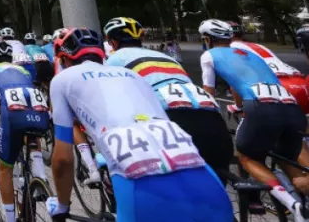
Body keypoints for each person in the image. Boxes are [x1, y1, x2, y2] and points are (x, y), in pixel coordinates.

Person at [45, 27, 231, 222]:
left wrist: (62, 206)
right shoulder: (132, 75)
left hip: (137, 180)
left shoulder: (61, 79)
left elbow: (63, 159)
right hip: (198, 170)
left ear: (64, 59)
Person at [199, 19, 309, 220]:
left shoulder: (209, 55)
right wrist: (239, 105)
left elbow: (209, 93)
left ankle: (293, 205)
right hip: (292, 106)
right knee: (289, 160)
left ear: (207, 39)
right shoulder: (250, 54)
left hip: (261, 107)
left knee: (247, 156)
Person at [104, 17, 233, 182]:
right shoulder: (166, 57)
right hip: (211, 115)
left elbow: (116, 101)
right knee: (217, 179)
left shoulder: (114, 60)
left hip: (172, 118)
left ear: (113, 42)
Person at [0, 41, 49, 222]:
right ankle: (40, 176)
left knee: (5, 169)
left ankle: (11, 218)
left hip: (12, 114)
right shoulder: (22, 70)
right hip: (38, 108)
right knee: (31, 133)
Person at [229, 21, 309, 113]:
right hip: (301, 84)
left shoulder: (228, 49)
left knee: (256, 122)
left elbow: (235, 83)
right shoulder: (258, 46)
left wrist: (238, 106)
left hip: (276, 88)